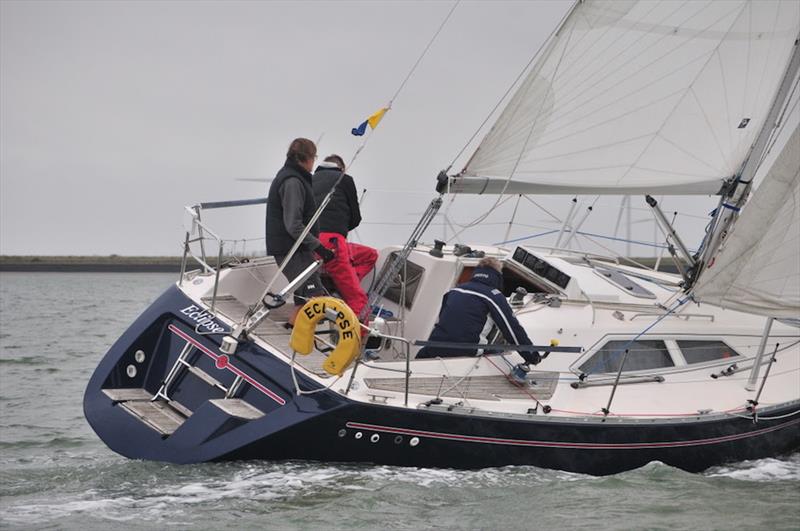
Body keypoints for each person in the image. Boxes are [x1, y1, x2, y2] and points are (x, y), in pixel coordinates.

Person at [265, 138, 335, 321]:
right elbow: (293, 224)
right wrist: (319, 247)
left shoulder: (295, 177)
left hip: (298, 248)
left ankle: (293, 333)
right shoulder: (292, 182)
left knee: (304, 298)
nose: (314, 163)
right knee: (313, 299)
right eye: (314, 158)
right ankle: (296, 340)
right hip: (289, 248)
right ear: (306, 158)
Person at [416, 257, 536, 360]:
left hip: (433, 347)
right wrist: (531, 355)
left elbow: (443, 318)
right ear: (497, 276)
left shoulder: (454, 290)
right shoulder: (494, 296)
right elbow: (512, 330)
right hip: (466, 353)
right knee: (499, 352)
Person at [311, 154, 377, 320]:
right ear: (341, 168)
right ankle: (356, 342)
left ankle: (341, 283)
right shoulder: (345, 179)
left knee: (370, 254)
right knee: (358, 299)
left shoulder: (309, 180)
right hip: (334, 243)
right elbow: (356, 219)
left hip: (309, 243)